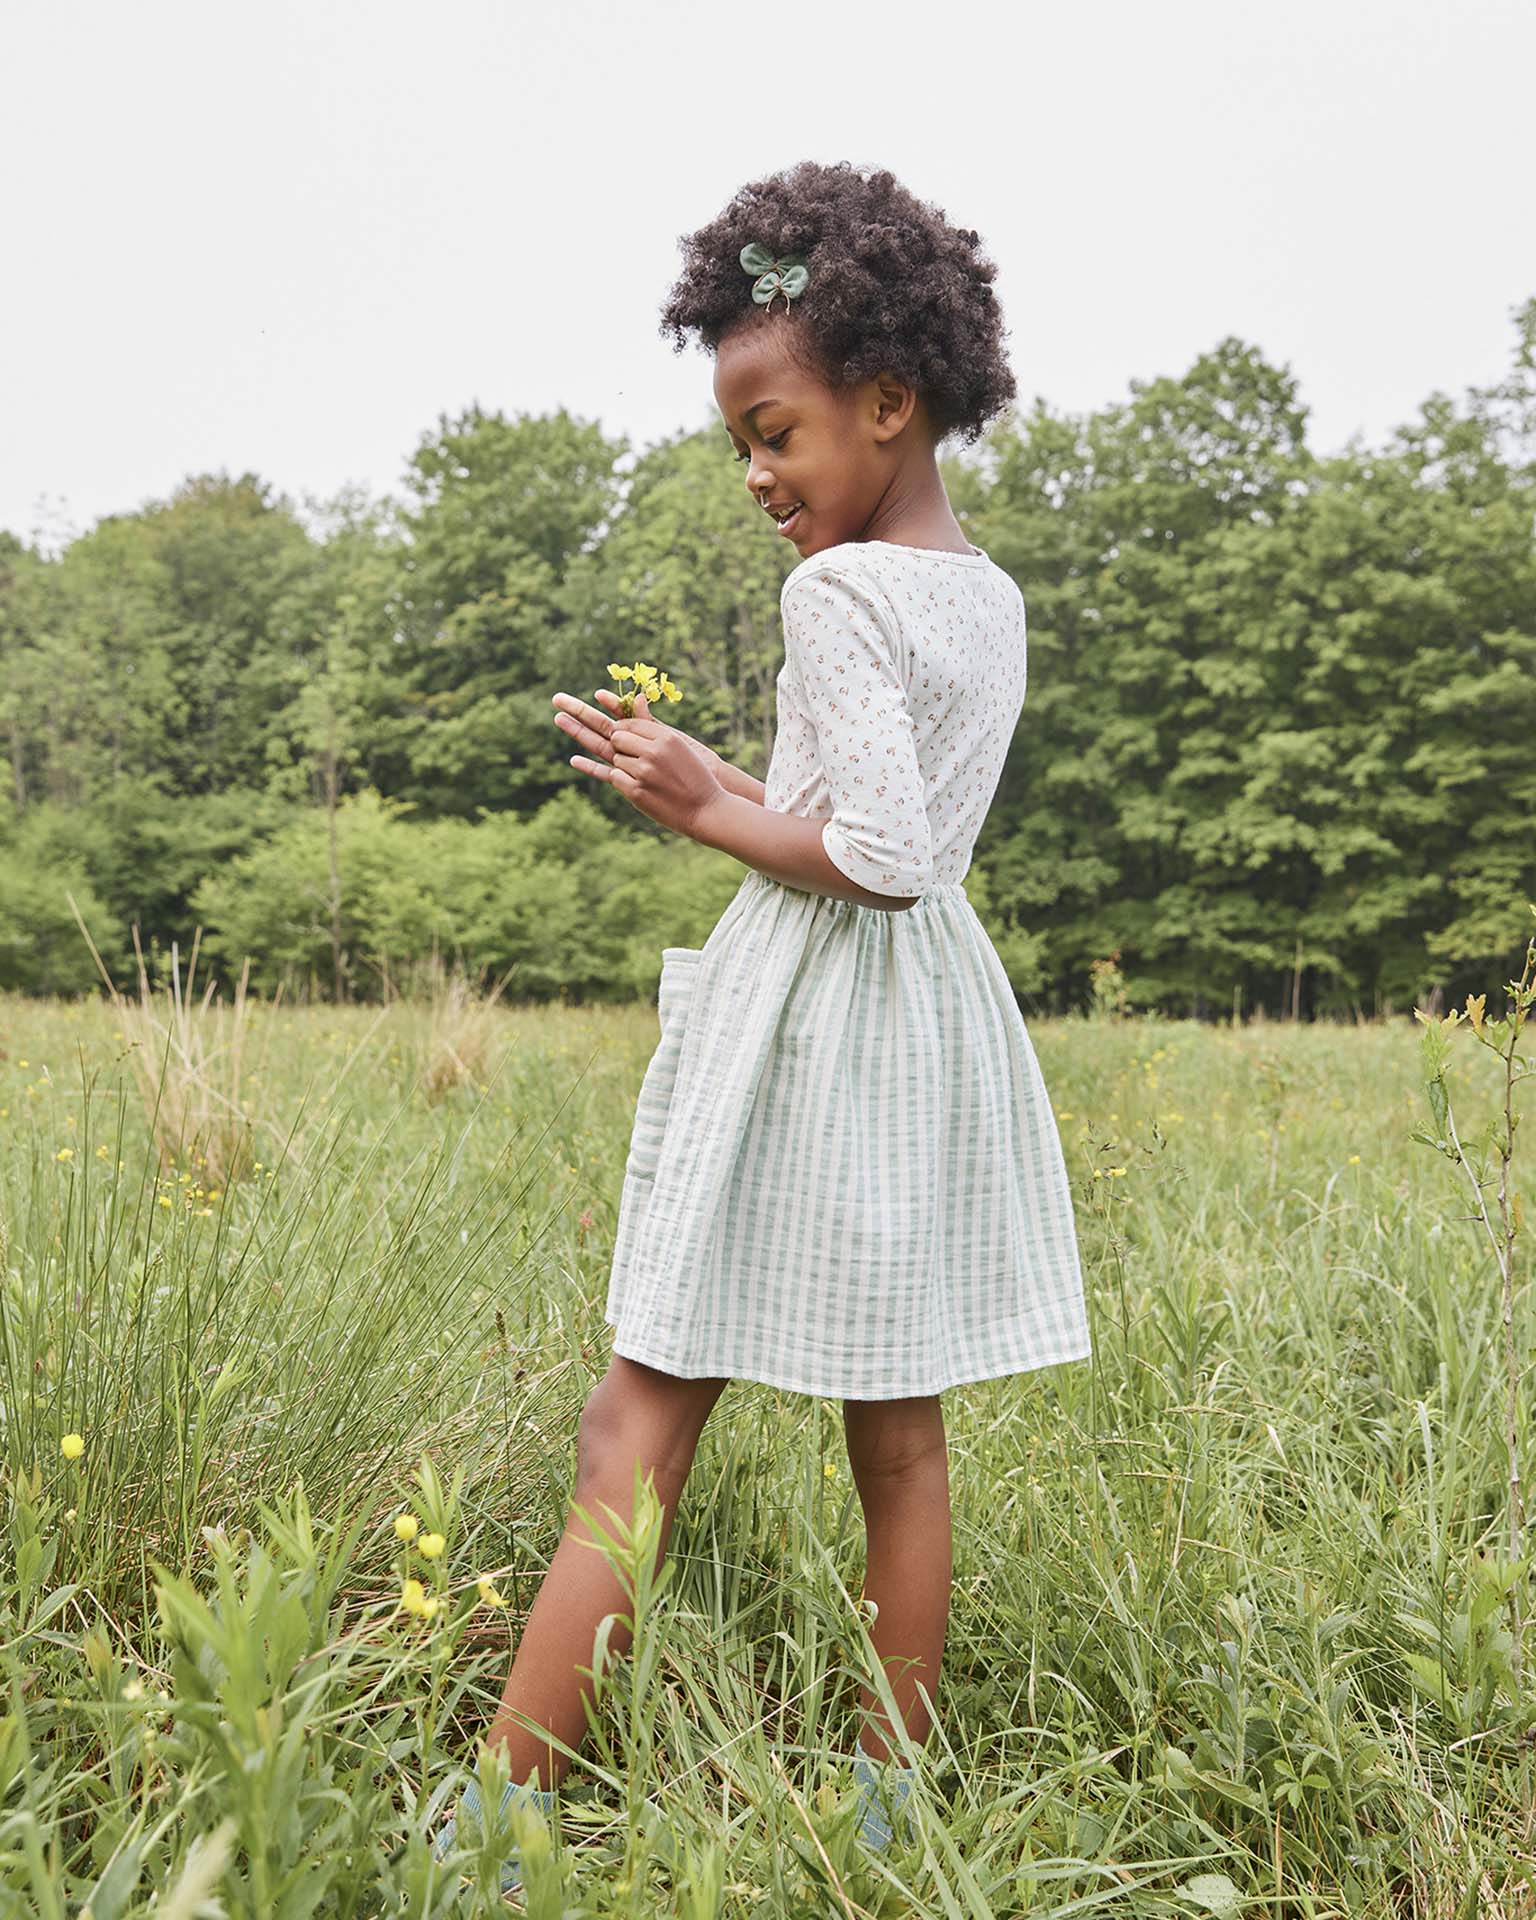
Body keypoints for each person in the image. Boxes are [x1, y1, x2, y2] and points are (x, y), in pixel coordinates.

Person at [433, 158, 1092, 1896]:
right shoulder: (983, 594)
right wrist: (711, 770)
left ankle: (494, 1824)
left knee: (637, 1416)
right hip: (925, 1023)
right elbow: (887, 824)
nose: (757, 475)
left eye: (777, 430)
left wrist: (694, 817)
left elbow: (864, 857)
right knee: (901, 1439)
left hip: (810, 1023)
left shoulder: (837, 596)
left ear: (888, 404)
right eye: (741, 438)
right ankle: (892, 1803)